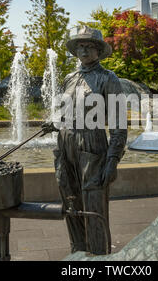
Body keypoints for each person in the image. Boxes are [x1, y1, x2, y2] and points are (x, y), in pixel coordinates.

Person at [42, 26, 128, 255]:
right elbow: (66, 112)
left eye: (89, 46)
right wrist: (55, 123)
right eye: (80, 46)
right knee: (70, 202)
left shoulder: (108, 79)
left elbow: (119, 125)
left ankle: (99, 257)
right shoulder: (70, 78)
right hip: (65, 144)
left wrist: (112, 161)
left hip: (92, 146)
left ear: (99, 50)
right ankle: (77, 254)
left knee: (94, 206)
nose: (84, 50)